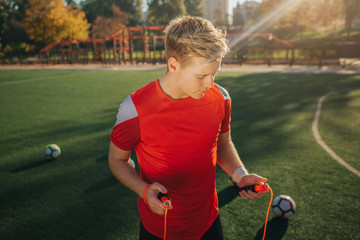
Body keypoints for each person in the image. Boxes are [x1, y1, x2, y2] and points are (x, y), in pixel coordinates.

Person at [108, 16, 268, 240]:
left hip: (208, 223)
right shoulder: (134, 109)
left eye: (214, 74)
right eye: (201, 76)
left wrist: (240, 175)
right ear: (174, 65)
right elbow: (117, 160)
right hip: (159, 229)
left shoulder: (220, 98)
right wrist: (142, 190)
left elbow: (222, 143)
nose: (210, 84)